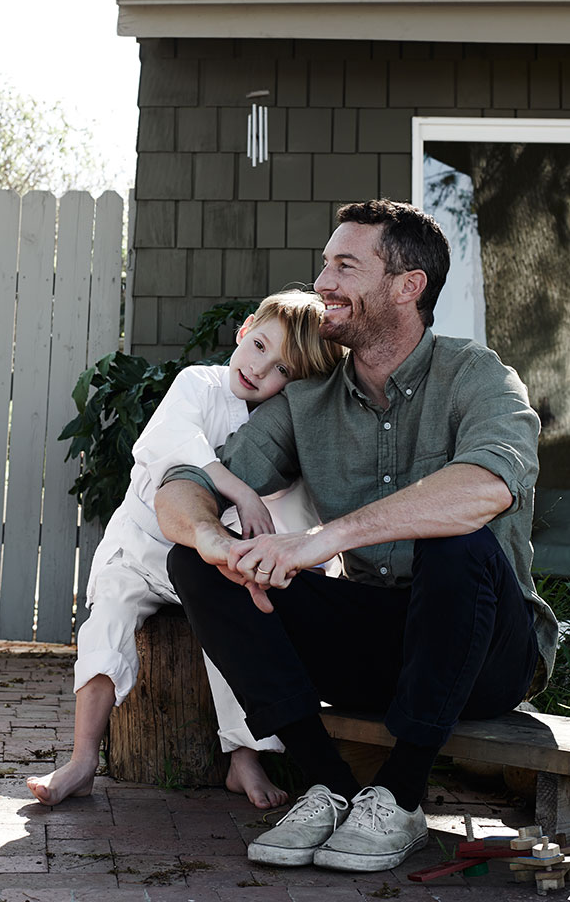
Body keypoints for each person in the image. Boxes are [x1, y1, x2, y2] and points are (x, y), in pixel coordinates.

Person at [156, 199, 556, 873]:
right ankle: (328, 785)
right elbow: (181, 484)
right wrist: (220, 547)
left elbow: (486, 487)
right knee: (191, 562)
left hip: (484, 651)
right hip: (379, 643)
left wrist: (316, 540)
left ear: (407, 286)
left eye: (346, 265)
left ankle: (400, 797)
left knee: (454, 540)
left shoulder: (479, 376)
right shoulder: (309, 398)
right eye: (324, 264)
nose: (323, 283)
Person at [26, 291, 343, 808]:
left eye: (281, 367)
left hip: (204, 564)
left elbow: (296, 511)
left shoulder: (277, 429)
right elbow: (166, 445)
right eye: (259, 345)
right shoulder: (199, 384)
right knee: (106, 621)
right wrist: (239, 488)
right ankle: (83, 757)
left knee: (233, 636)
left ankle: (245, 758)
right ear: (243, 330)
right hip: (142, 546)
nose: (259, 368)